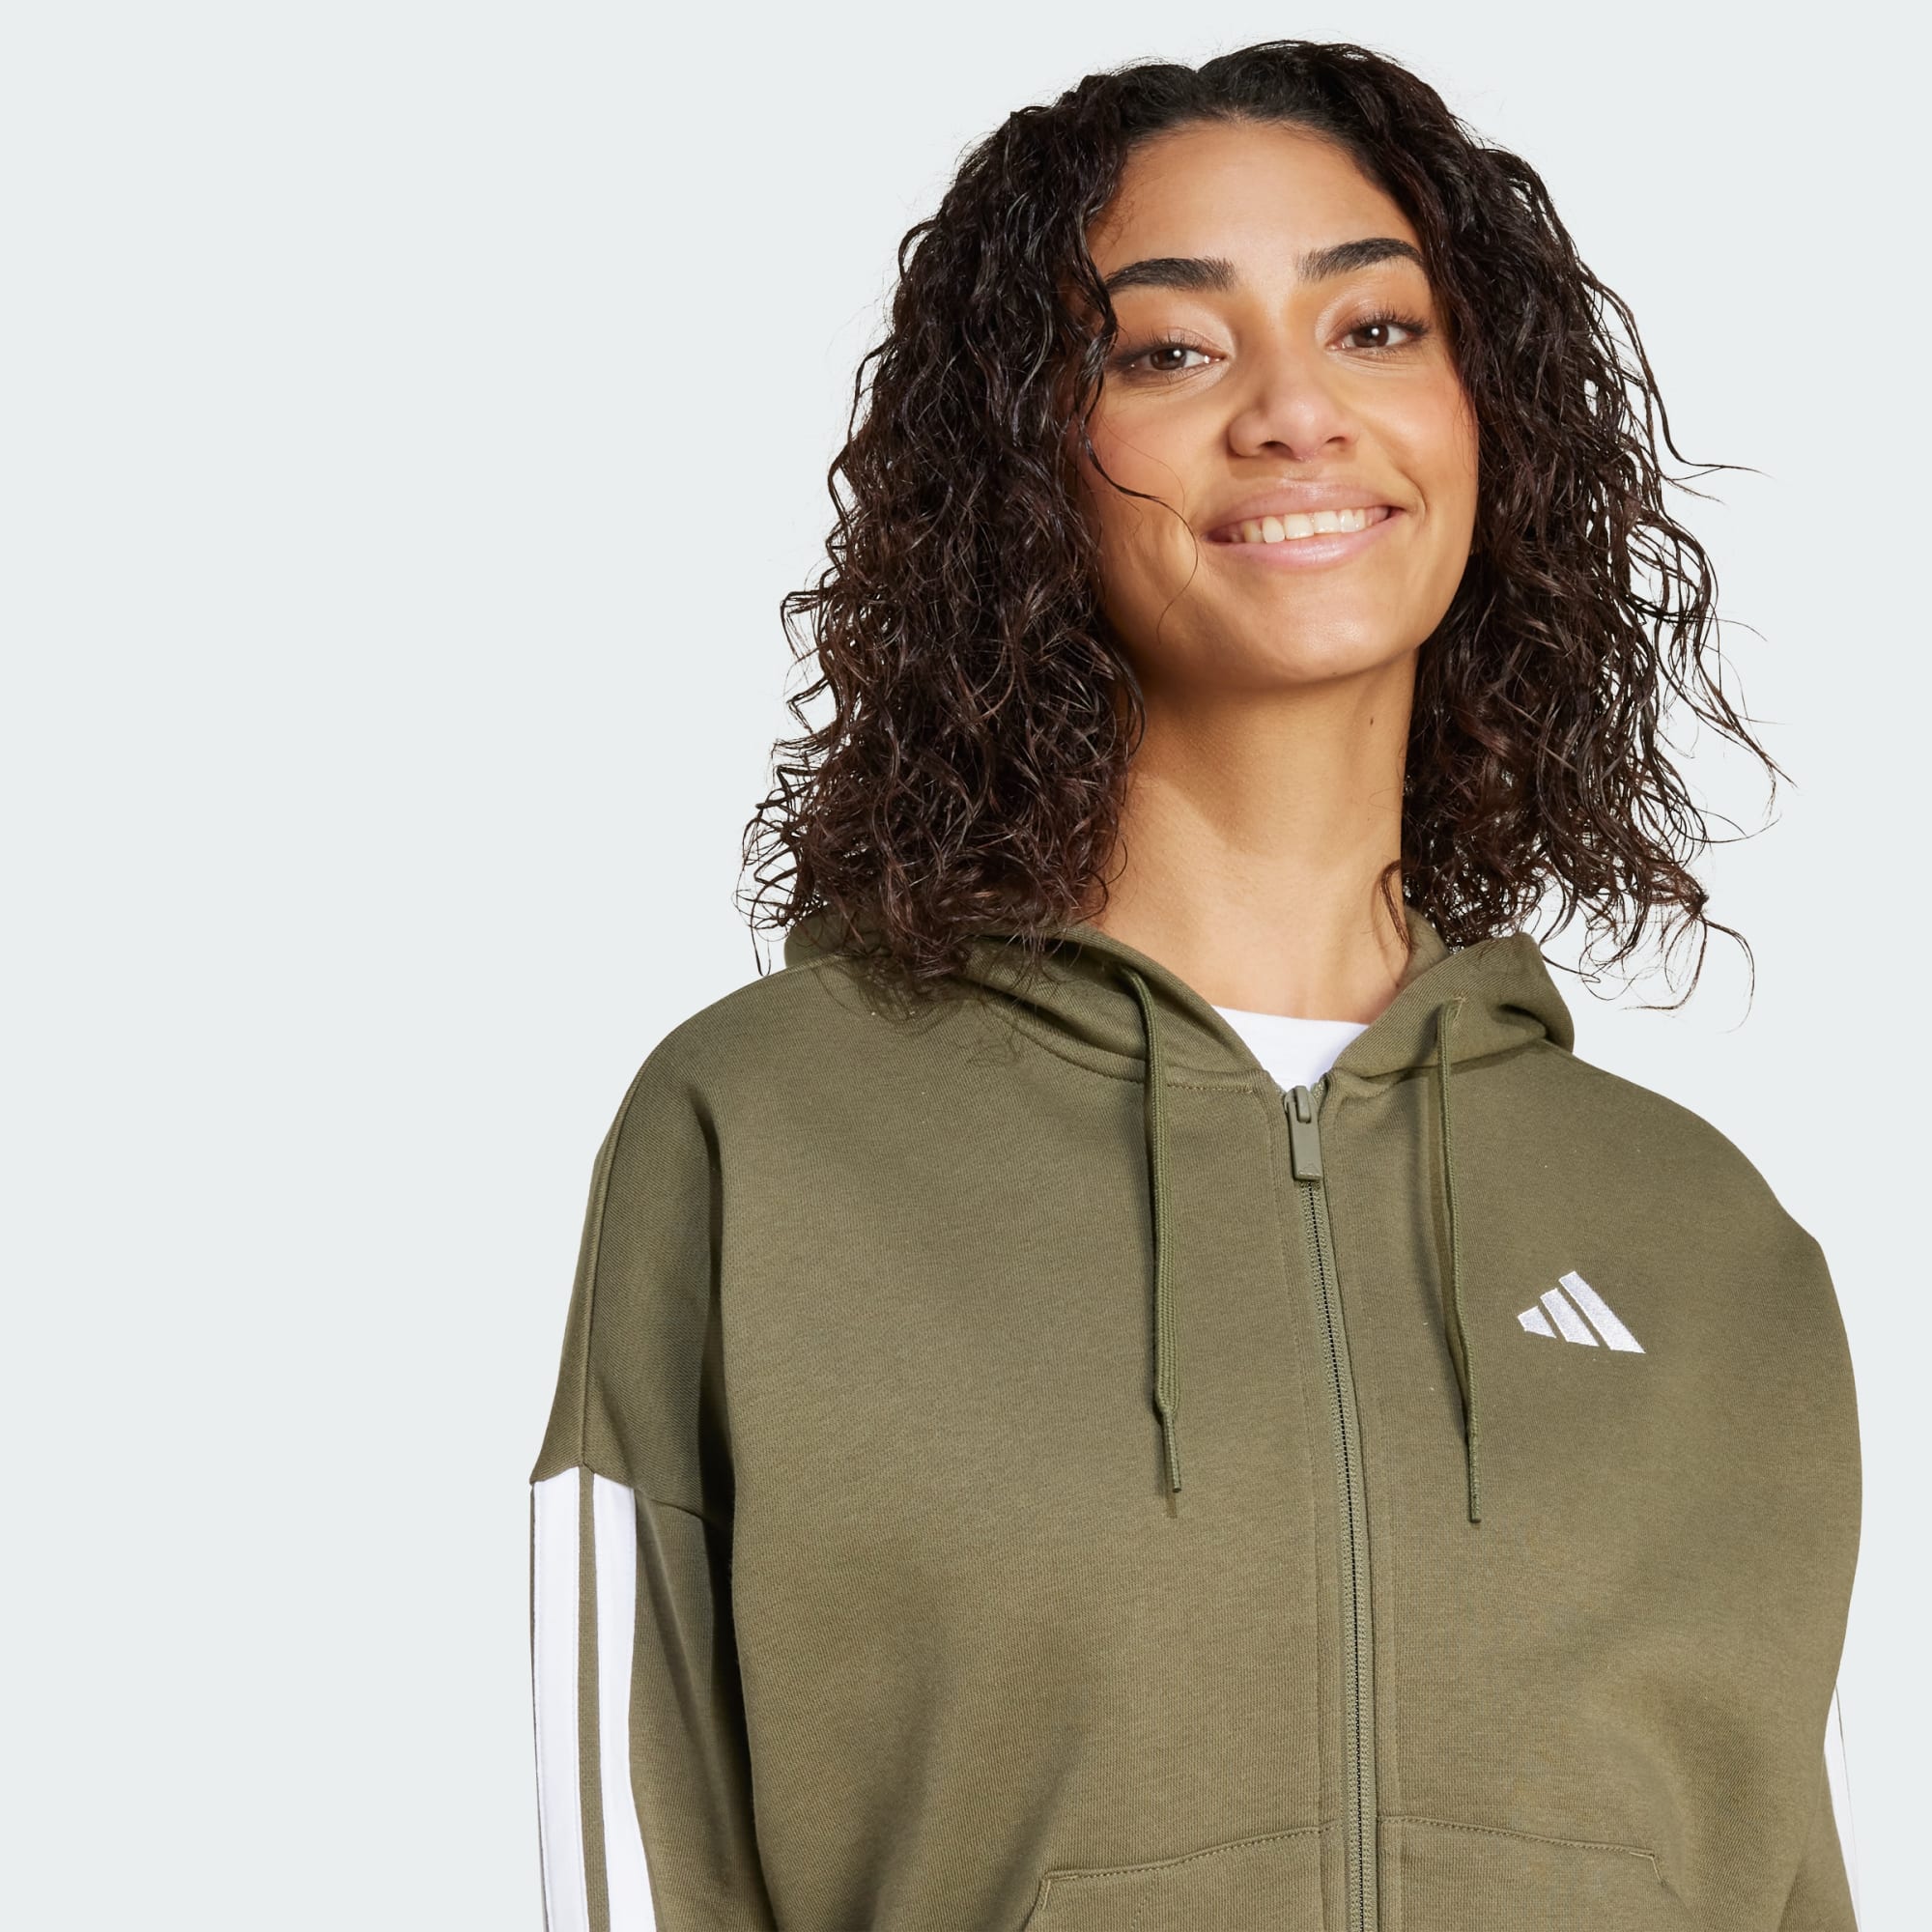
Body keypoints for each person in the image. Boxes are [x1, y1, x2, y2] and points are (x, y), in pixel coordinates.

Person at [527, 39, 1861, 1932]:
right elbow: (634, 1845)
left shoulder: (1700, 1235)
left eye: (1376, 329)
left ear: (1488, 416)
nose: (1295, 412)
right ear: (1024, 464)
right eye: (1167, 351)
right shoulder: (771, 1136)